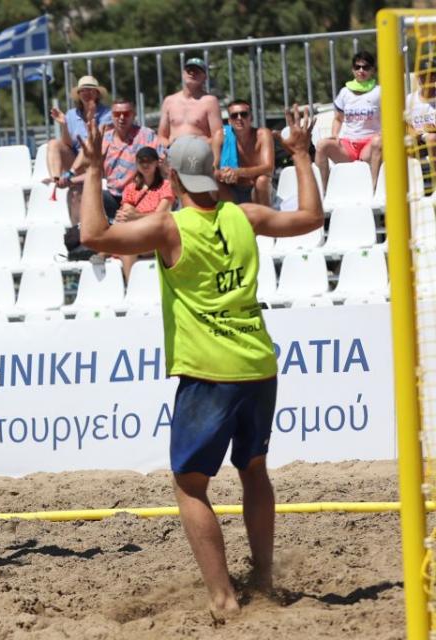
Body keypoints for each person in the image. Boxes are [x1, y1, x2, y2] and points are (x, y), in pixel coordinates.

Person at [78, 105, 323, 617]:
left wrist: (96, 169)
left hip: (209, 372)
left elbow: (93, 236)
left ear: (171, 175)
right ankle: (263, 577)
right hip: (258, 363)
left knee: (191, 484)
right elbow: (310, 219)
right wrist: (299, 155)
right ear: (210, 174)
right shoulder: (245, 216)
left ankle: (223, 598)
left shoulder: (170, 227)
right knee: (254, 470)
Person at [71, 97, 162, 220]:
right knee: (78, 194)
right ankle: (79, 234)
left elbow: (161, 163)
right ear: (111, 116)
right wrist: (70, 180)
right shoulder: (104, 139)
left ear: (134, 115)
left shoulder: (146, 135)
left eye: (126, 113)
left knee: (126, 213)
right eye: (117, 114)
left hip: (140, 195)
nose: (121, 117)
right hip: (113, 196)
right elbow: (96, 172)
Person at [315, 51, 382, 191]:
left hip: (370, 145)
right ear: (353, 70)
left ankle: (374, 189)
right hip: (349, 146)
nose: (361, 70)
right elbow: (338, 119)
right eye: (357, 67)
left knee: (377, 141)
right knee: (322, 145)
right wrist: (335, 135)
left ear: (373, 70)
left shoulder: (379, 91)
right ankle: (324, 192)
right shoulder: (345, 92)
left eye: (366, 67)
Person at [111, 146, 175, 280]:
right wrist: (131, 216)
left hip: (155, 233)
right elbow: (127, 212)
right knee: (125, 234)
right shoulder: (131, 187)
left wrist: (136, 216)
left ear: (157, 163)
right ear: (137, 163)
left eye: (149, 161)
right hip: (135, 231)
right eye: (141, 161)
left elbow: (161, 216)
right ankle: (131, 289)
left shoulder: (166, 186)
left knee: (127, 247)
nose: (145, 164)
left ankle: (130, 288)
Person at [46, 75, 113, 188]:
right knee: (53, 143)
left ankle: (70, 174)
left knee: (88, 141)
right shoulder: (71, 114)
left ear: (97, 94)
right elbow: (67, 144)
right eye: (83, 91)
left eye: (90, 90)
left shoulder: (107, 114)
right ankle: (56, 179)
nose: (86, 93)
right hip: (75, 161)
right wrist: (64, 125)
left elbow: (96, 138)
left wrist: (91, 117)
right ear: (79, 95)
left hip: (96, 161)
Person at [211, 99, 275, 205]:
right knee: (214, 183)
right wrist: (225, 175)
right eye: (234, 116)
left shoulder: (263, 134)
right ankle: (229, 217)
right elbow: (213, 169)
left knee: (262, 180)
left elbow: (269, 168)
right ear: (229, 121)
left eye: (244, 114)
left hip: (255, 188)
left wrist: (238, 172)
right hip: (231, 189)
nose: (239, 118)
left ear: (251, 118)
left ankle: (265, 219)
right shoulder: (221, 136)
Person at [157, 57, 223, 146]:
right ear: (183, 74)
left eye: (197, 71)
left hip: (201, 155)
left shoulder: (210, 101)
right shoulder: (169, 101)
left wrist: (193, 146)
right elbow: (161, 136)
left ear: (205, 77)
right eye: (189, 70)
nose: (192, 73)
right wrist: (170, 146)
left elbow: (218, 136)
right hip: (174, 155)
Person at [407, 56, 436, 196]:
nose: (426, 79)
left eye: (431, 75)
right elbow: (405, 124)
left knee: (431, 139)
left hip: (432, 140)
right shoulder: (409, 100)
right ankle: (409, 189)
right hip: (417, 141)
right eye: (423, 75)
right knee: (404, 143)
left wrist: (430, 129)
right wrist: (413, 132)